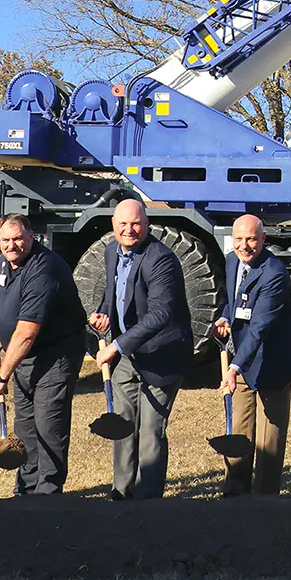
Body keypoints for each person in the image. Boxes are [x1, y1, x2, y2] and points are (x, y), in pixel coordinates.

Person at [89, 200, 193, 500]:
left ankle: (148, 503)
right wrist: (102, 313)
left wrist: (116, 346)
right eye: (123, 224)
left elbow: (160, 314)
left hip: (163, 354)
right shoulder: (112, 251)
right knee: (122, 424)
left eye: (135, 223)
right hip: (128, 355)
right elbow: (113, 294)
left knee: (150, 431)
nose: (129, 229)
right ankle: (121, 493)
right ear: (113, 224)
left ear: (146, 224)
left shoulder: (161, 259)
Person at [0, 213, 87, 495]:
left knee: (48, 426)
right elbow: (12, 308)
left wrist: (1, 376)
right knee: (25, 426)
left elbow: (28, 331)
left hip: (56, 355)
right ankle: (26, 491)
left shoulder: (45, 268)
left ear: (31, 236)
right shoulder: (2, 263)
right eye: (5, 240)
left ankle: (48, 494)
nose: (11, 245)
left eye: (18, 238)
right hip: (25, 356)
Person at [214, 214, 291, 496]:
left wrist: (235, 366)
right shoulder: (230, 260)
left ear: (263, 239)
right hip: (243, 361)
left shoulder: (274, 273)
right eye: (239, 239)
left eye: (251, 239)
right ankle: (235, 494)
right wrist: (226, 318)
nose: (245, 245)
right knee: (239, 429)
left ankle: (265, 501)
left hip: (272, 361)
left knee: (268, 438)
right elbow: (233, 299)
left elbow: (260, 326)